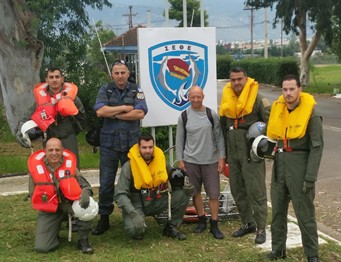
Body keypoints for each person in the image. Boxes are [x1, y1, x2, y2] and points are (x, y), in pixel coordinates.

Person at [266, 75, 323, 262]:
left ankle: (312, 254)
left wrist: (310, 177)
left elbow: (316, 147)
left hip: (300, 165)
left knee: (305, 213)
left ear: (299, 89)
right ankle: (278, 249)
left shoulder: (311, 113)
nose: (288, 93)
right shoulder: (279, 109)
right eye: (285, 90)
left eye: (292, 89)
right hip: (279, 164)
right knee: (277, 212)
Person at [92, 59, 148, 235]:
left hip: (131, 144)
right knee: (106, 182)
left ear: (128, 73)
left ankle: (132, 214)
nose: (120, 76)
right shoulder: (105, 89)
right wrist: (124, 108)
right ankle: (104, 218)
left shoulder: (136, 90)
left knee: (132, 181)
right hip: (109, 144)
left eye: (123, 72)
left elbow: (140, 112)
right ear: (112, 74)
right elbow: (100, 111)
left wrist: (113, 113)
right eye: (116, 73)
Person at [219, 67, 270, 244]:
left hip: (251, 152)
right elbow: (222, 128)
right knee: (237, 189)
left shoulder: (257, 99)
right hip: (233, 153)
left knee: (256, 191)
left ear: (246, 79)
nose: (236, 83)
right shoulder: (227, 99)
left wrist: (262, 146)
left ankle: (261, 227)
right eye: (233, 80)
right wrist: (223, 155)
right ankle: (248, 222)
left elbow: (270, 124)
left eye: (239, 79)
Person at [115, 134, 191, 240]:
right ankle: (137, 222)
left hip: (157, 198)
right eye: (144, 147)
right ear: (138, 147)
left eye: (150, 147)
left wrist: (185, 184)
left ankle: (171, 227)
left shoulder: (160, 160)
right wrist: (133, 214)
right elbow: (120, 194)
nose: (147, 151)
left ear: (154, 147)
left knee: (183, 194)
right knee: (135, 230)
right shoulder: (129, 166)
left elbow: (172, 176)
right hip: (137, 201)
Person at [28, 138, 96, 254]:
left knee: (86, 205)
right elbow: (33, 194)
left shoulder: (70, 165)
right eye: (51, 150)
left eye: (57, 150)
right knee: (42, 247)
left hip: (71, 204)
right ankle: (53, 232)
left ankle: (83, 240)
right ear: (45, 151)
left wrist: (85, 194)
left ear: (62, 150)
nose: (54, 153)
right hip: (49, 207)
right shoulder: (35, 168)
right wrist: (58, 205)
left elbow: (86, 186)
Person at [175, 86, 226, 239]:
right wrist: (180, 160)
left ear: (203, 96)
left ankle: (214, 224)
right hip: (191, 161)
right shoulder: (184, 116)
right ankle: (202, 219)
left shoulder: (211, 115)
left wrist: (222, 158)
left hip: (210, 161)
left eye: (198, 97)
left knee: (214, 194)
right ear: (188, 98)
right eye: (192, 97)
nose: (196, 100)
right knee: (195, 192)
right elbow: (180, 140)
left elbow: (219, 138)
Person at [16, 67, 86, 169]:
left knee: (73, 171)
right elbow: (25, 119)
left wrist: (72, 131)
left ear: (62, 79)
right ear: (46, 80)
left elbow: (82, 118)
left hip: (68, 138)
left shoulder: (72, 98)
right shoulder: (40, 101)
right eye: (51, 77)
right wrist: (20, 133)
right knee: (49, 172)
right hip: (49, 140)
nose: (54, 80)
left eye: (57, 77)